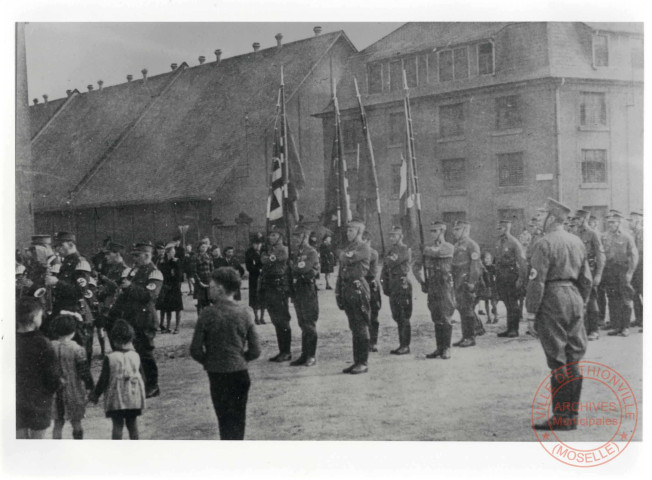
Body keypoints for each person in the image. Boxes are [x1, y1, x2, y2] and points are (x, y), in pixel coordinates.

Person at [527, 198, 592, 431]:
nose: (540, 218)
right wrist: (580, 302)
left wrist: (531, 312)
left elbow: (537, 281)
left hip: (552, 298)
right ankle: (571, 415)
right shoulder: (577, 241)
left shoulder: (543, 243)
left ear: (551, 218)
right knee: (574, 356)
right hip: (574, 295)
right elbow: (587, 279)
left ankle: (561, 417)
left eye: (543, 214)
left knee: (558, 358)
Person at [190, 267, 261, 440]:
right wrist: (240, 359)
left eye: (212, 285)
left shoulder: (207, 314)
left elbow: (195, 350)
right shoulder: (245, 312)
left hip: (217, 374)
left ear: (220, 288)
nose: (209, 288)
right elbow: (256, 350)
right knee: (239, 419)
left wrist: (211, 361)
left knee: (224, 420)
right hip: (240, 373)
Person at [109, 242, 163, 398]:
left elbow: (149, 296)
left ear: (147, 255)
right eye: (133, 255)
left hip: (145, 318)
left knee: (145, 352)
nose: (134, 259)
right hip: (131, 317)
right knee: (134, 353)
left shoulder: (155, 273)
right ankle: (141, 383)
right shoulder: (134, 272)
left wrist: (130, 286)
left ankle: (152, 386)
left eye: (137, 255)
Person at [90, 320, 146, 440]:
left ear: (113, 340)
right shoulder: (136, 356)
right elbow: (142, 377)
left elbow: (103, 380)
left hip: (116, 398)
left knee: (117, 425)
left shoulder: (110, 358)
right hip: (132, 396)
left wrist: (95, 394)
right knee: (132, 424)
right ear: (131, 339)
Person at [16, 297, 62, 439]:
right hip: (39, 401)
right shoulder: (43, 343)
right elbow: (52, 375)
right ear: (36, 318)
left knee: (19, 440)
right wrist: (57, 385)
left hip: (16, 401)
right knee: (37, 442)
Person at [413, 221, 456, 360]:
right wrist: (421, 282)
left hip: (445, 286)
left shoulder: (448, 247)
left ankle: (447, 348)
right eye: (431, 231)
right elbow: (416, 266)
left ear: (442, 232)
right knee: (436, 317)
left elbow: (437, 253)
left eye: (435, 231)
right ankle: (439, 348)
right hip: (432, 285)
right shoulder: (427, 248)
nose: (432, 234)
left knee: (445, 317)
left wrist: (425, 250)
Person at [48, 232, 95, 353]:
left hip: (75, 313)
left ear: (70, 244)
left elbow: (80, 292)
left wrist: (57, 282)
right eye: (55, 246)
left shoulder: (80, 263)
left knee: (78, 351)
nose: (57, 249)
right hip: (63, 311)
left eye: (60, 245)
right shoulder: (65, 263)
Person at [50, 313, 95, 439]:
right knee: (76, 422)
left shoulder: (50, 347)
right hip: (73, 391)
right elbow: (84, 372)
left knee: (57, 424)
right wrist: (91, 388)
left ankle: (56, 448)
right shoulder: (77, 349)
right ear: (73, 331)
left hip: (55, 391)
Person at [337, 219, 372, 374]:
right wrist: (338, 291)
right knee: (354, 327)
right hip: (348, 288)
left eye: (351, 230)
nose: (348, 233)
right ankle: (357, 360)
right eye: (347, 230)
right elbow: (342, 265)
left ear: (359, 232)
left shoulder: (364, 247)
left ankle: (363, 362)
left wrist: (343, 255)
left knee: (361, 326)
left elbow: (345, 258)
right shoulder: (349, 248)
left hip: (358, 289)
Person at [602, 211, 639, 337]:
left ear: (619, 223)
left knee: (625, 299)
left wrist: (630, 272)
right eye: (609, 223)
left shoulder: (627, 236)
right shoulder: (605, 236)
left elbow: (634, 256)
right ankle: (616, 326)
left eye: (613, 222)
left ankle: (626, 327)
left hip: (623, 270)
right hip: (610, 270)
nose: (610, 225)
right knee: (613, 299)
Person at [289, 224, 320, 367]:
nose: (295, 239)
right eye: (294, 236)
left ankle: (311, 356)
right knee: (302, 323)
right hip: (298, 290)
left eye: (298, 236)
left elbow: (304, 268)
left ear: (305, 237)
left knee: (309, 323)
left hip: (308, 289)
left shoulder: (311, 252)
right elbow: (295, 270)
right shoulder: (296, 253)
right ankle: (304, 354)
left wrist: (294, 268)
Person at [260, 225, 292, 362]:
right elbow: (263, 260)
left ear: (280, 236)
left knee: (282, 320)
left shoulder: (283, 249)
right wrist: (266, 257)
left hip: (279, 286)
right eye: (270, 235)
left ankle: (286, 351)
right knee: (275, 320)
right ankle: (282, 350)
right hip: (270, 286)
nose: (270, 237)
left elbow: (265, 260)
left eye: (274, 235)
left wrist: (266, 257)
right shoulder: (271, 250)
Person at [573, 209, 606, 341]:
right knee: (579, 300)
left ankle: (594, 330)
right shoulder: (574, 233)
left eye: (579, 219)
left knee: (591, 300)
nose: (576, 221)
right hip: (577, 271)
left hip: (590, 271)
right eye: (576, 219)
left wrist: (598, 274)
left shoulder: (593, 234)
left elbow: (601, 255)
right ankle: (584, 329)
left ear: (585, 220)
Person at [451, 220, 484, 348]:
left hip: (466, 281)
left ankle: (470, 337)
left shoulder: (472, 245)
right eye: (454, 229)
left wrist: (471, 282)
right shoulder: (457, 244)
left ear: (465, 230)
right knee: (461, 308)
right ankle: (466, 336)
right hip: (458, 281)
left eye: (457, 229)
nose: (454, 232)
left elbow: (475, 267)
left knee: (467, 309)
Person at [380, 226, 412, 355]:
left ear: (400, 236)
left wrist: (386, 258)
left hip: (401, 284)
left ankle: (405, 345)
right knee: (397, 315)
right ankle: (402, 344)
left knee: (403, 315)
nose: (392, 238)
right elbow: (385, 268)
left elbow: (393, 262)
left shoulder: (405, 249)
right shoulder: (391, 250)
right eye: (390, 235)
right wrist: (385, 285)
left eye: (394, 235)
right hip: (392, 284)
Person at [494, 220, 527, 337]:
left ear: (506, 228)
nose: (497, 230)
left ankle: (514, 329)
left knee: (513, 303)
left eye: (500, 228)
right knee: (507, 303)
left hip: (511, 275)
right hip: (501, 276)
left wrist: (521, 279)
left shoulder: (514, 242)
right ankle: (509, 328)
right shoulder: (499, 242)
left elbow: (522, 262)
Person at [97, 242, 129, 355]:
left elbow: (120, 291)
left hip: (118, 312)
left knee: (120, 346)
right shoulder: (112, 269)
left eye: (108, 254)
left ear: (117, 254)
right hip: (109, 310)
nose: (106, 257)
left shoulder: (125, 270)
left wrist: (106, 282)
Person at [362, 231, 383, 354]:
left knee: (373, 315)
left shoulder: (372, 253)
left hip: (370, 284)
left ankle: (373, 342)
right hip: (361, 285)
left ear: (368, 241)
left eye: (364, 239)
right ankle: (366, 341)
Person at [156, 242, 184, 334]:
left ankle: (177, 327)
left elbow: (179, 276)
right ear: (167, 252)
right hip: (166, 287)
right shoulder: (163, 262)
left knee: (177, 308)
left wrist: (174, 276)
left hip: (175, 287)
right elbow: (162, 273)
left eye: (173, 251)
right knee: (167, 307)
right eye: (171, 251)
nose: (173, 253)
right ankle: (167, 327)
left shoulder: (176, 261)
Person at [245, 233, 266, 324]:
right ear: (252, 244)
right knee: (255, 297)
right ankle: (256, 317)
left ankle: (262, 317)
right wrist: (258, 270)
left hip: (264, 277)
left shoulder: (264, 251)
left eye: (259, 243)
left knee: (263, 296)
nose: (257, 245)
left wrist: (264, 270)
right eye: (255, 243)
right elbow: (248, 267)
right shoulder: (249, 252)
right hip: (254, 277)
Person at [629, 211, 643, 332]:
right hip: (635, 268)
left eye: (632, 221)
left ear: (638, 221)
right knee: (635, 294)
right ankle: (639, 319)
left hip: (642, 268)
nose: (630, 223)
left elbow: (641, 252)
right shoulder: (632, 233)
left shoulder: (643, 232)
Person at [477, 251, 498, 324]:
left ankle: (496, 316)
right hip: (485, 286)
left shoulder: (493, 267)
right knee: (486, 302)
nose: (487, 260)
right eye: (485, 258)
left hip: (492, 286)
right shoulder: (482, 268)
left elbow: (496, 276)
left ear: (491, 259)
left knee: (493, 303)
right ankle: (489, 317)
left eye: (488, 258)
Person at [193, 242, 214, 315]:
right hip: (200, 281)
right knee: (200, 302)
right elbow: (194, 271)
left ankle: (207, 319)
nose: (204, 249)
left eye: (205, 247)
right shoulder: (196, 257)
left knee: (208, 301)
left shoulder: (209, 256)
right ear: (199, 248)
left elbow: (212, 270)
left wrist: (211, 281)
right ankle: (200, 319)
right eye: (202, 247)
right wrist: (199, 282)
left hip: (208, 280)